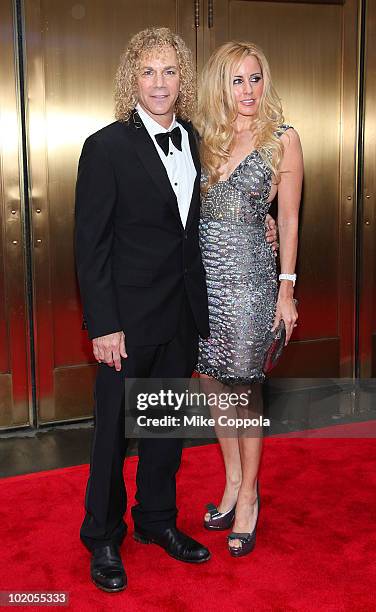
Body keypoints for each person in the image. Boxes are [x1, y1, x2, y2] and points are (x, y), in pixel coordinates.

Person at [75, 28, 278, 591]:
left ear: (182, 79)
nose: (159, 83)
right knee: (113, 435)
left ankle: (157, 522)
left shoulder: (197, 139)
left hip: (184, 314)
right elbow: (90, 245)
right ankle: (104, 536)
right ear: (132, 80)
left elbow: (217, 208)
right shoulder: (106, 146)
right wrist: (104, 324)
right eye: (148, 72)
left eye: (169, 71)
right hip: (127, 321)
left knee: (164, 429)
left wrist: (267, 219)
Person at [194, 41, 303, 557]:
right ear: (222, 85)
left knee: (245, 386)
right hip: (202, 278)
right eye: (237, 80)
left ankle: (250, 499)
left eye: (255, 78)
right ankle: (233, 481)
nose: (248, 90)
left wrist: (287, 288)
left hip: (251, 281)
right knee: (213, 380)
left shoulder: (283, 139)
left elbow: (289, 218)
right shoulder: (203, 141)